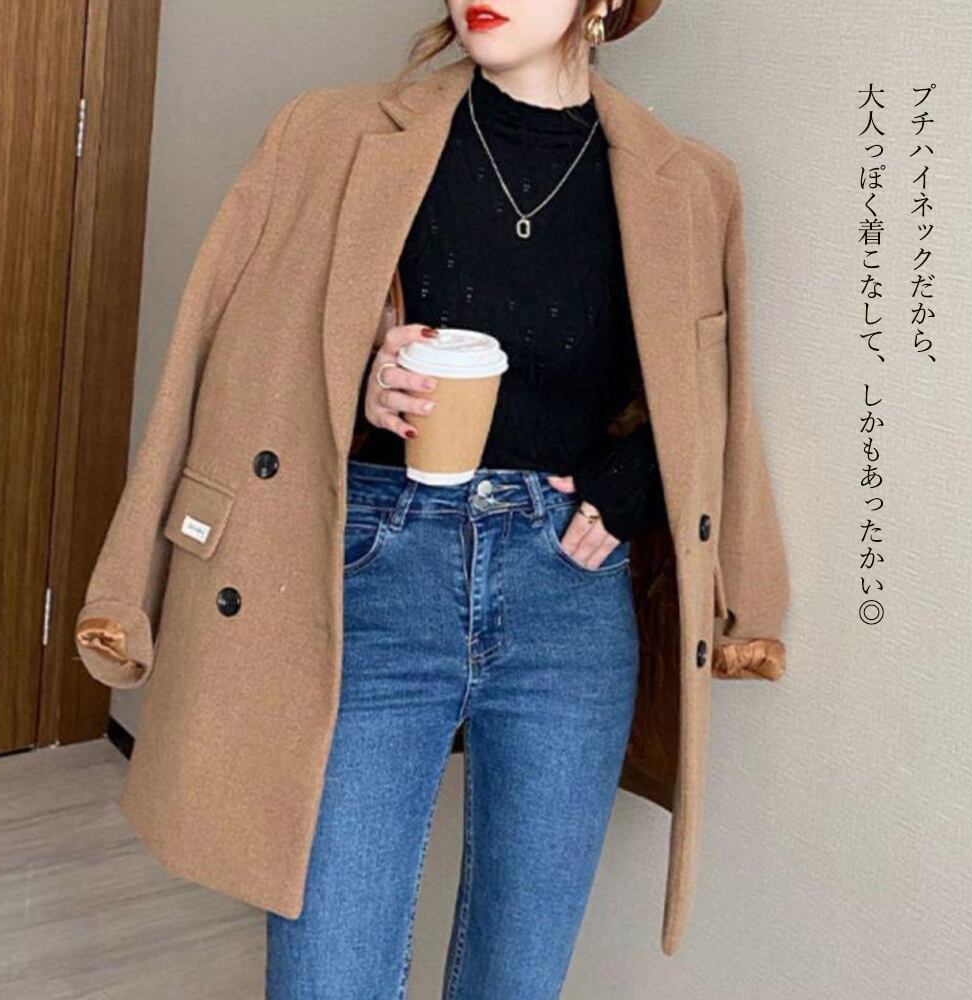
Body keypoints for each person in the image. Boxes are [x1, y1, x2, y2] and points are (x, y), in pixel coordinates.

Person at [265, 1, 670, 997]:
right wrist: (357, 382)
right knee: (325, 970)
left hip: (565, 596)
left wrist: (632, 484)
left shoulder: (681, 184)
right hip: (377, 563)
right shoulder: (348, 137)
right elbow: (254, 345)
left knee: (515, 976)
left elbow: (706, 394)